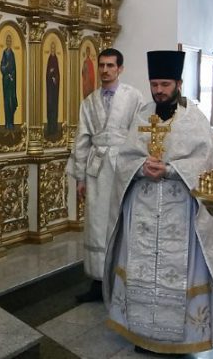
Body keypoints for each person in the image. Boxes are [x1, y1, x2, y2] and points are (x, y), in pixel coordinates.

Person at [103, 50, 213, 354]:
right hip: (142, 208)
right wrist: (140, 167)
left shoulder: (194, 119)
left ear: (178, 84)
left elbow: (207, 163)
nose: (159, 91)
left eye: (165, 84)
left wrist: (171, 169)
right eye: (154, 84)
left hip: (180, 212)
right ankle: (142, 332)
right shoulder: (142, 115)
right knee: (140, 269)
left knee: (179, 274)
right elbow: (124, 158)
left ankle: (181, 340)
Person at [66, 48, 143, 303]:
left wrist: (138, 169)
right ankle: (98, 282)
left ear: (120, 68)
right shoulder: (89, 102)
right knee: (97, 224)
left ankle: (122, 280)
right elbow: (82, 139)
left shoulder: (134, 97)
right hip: (97, 170)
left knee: (122, 221)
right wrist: (80, 178)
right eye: (101, 65)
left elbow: (140, 134)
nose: (105, 70)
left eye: (110, 65)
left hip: (123, 167)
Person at [0, 34, 18, 129]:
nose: (9, 42)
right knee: (7, 102)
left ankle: (12, 122)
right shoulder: (4, 53)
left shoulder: (12, 54)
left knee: (12, 102)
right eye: (7, 41)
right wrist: (6, 68)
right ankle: (7, 123)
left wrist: (12, 76)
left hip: (11, 82)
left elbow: (14, 69)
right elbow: (2, 67)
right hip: (6, 82)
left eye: (10, 41)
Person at [45, 41, 61, 137]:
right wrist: (50, 73)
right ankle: (50, 127)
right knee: (50, 106)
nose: (53, 49)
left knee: (55, 106)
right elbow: (47, 74)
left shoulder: (56, 58)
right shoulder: (49, 58)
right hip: (50, 88)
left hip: (55, 88)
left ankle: (54, 127)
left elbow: (58, 73)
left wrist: (56, 78)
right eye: (52, 48)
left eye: (54, 48)